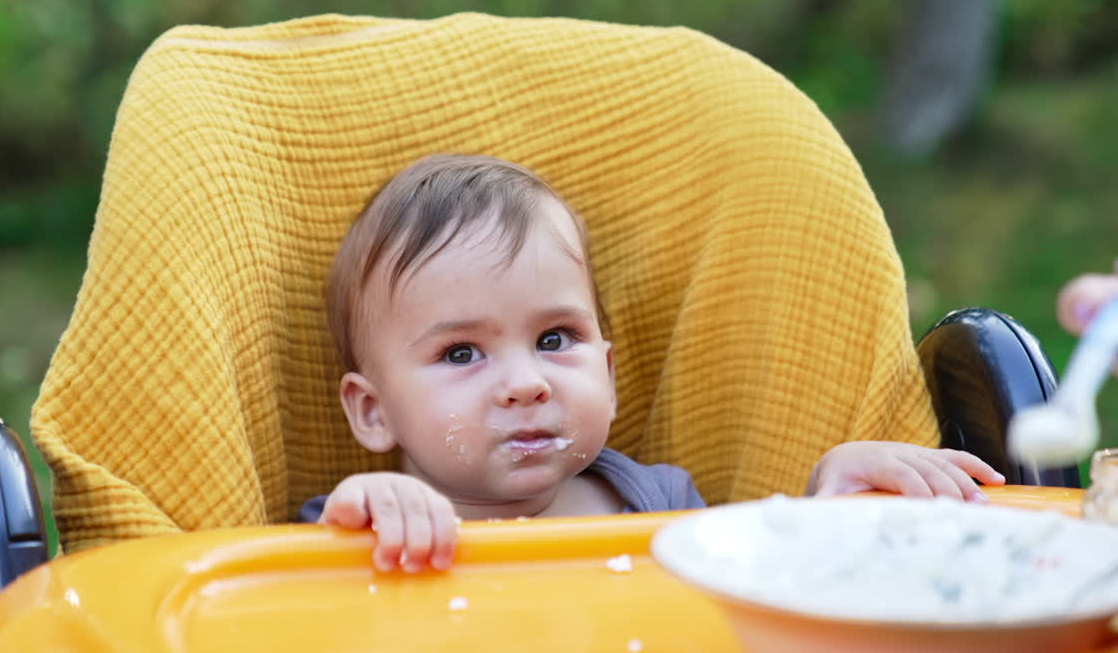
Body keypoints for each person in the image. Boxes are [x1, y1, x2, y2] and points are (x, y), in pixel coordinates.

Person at [301, 154, 1005, 574]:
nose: (526, 383)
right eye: (461, 353)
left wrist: (829, 500)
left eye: (554, 339)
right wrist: (360, 527)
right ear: (374, 411)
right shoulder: (363, 527)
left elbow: (764, 598)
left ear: (607, 370)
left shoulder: (660, 503)